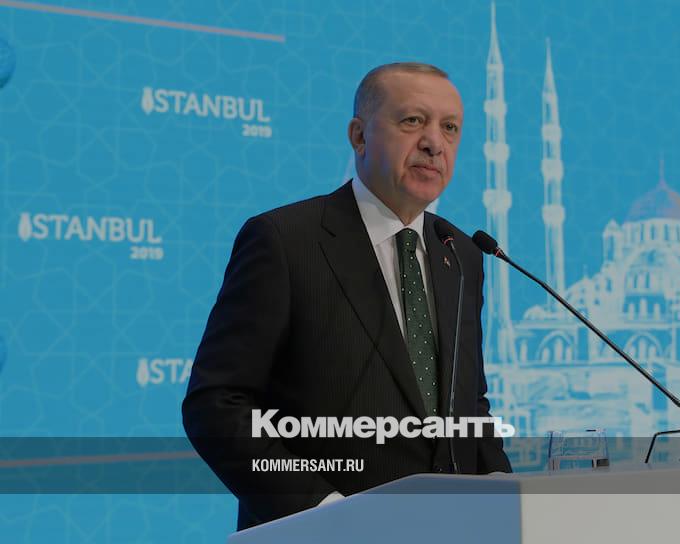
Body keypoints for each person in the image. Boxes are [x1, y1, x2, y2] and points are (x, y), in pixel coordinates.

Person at [182, 62, 511, 530]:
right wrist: (327, 513)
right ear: (359, 136)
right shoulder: (285, 240)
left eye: (450, 128)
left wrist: (505, 496)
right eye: (413, 120)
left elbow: (468, 404)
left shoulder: (460, 254)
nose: (434, 143)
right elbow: (217, 404)